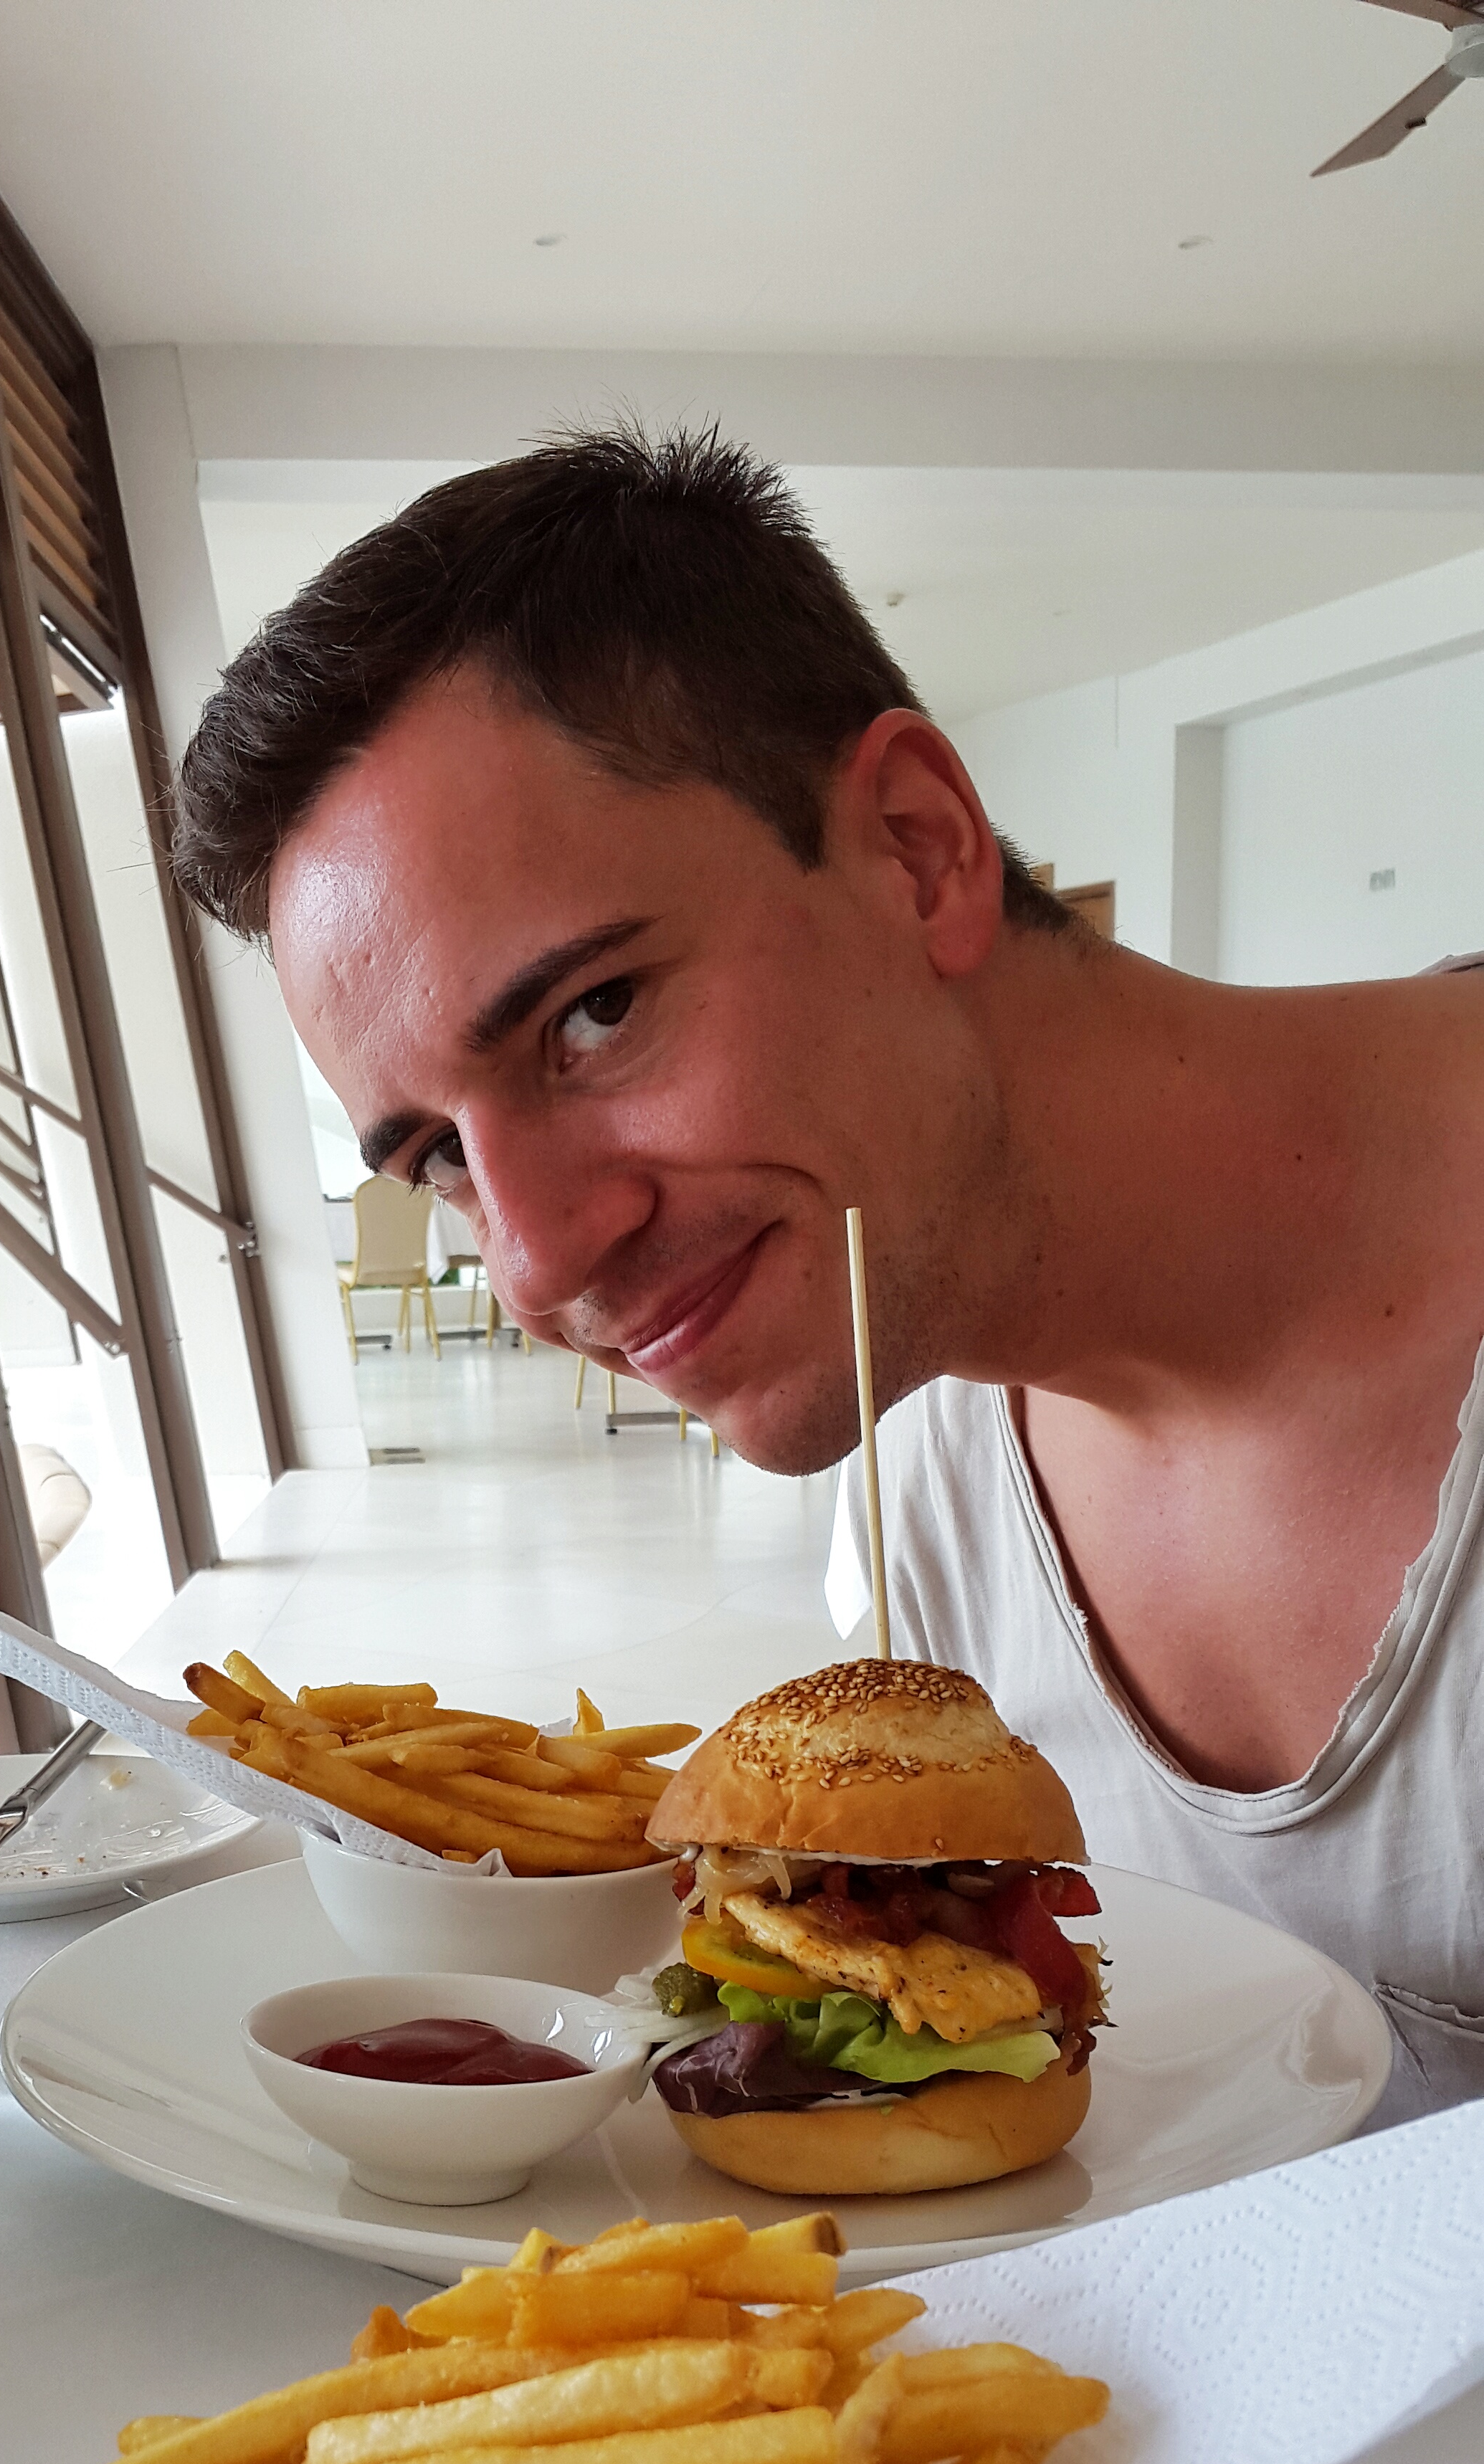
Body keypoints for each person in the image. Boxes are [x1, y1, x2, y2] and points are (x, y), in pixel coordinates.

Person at [173, 427, 1484, 2122]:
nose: (537, 1261)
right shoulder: (914, 1465)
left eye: (594, 1014)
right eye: (437, 1157)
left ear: (920, 849)